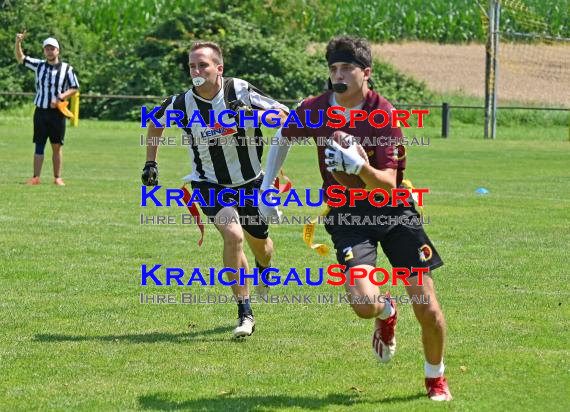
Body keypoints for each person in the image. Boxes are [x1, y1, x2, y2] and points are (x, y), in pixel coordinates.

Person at [260, 36, 452, 401]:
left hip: (395, 212)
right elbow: (282, 137)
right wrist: (267, 187)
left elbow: (388, 184)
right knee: (364, 305)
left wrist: (360, 166)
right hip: (348, 217)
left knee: (427, 308)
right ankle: (387, 312)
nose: (338, 74)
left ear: (366, 73)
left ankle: (435, 378)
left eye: (346, 68)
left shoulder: (384, 114)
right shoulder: (314, 109)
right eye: (333, 68)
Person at [142, 41, 289, 338]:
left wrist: (248, 117)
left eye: (203, 65)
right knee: (233, 236)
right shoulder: (181, 103)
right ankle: (245, 312)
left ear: (219, 68)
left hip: (250, 181)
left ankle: (264, 266)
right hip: (208, 183)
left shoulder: (240, 90)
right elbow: (155, 122)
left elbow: (284, 117)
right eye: (192, 66)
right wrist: (150, 163)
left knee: (261, 245)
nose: (196, 71)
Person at [15, 33, 80, 186]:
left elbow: (75, 88)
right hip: (41, 111)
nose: (50, 52)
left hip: (57, 113)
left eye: (52, 49)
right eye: (47, 49)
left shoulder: (67, 69)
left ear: (58, 51)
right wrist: (18, 42)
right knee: (39, 144)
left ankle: (57, 177)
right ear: (44, 51)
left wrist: (60, 97)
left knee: (56, 145)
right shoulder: (39, 65)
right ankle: (35, 177)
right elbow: (21, 58)